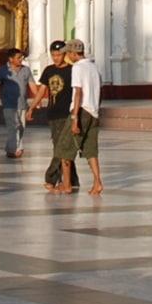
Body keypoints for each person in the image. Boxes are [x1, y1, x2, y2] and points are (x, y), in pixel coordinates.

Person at [37, 47, 77, 193]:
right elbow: (42, 90)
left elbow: (78, 91)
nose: (56, 58)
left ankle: (51, 177)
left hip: (67, 114)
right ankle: (72, 179)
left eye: (59, 55)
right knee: (60, 146)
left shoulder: (73, 70)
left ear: (64, 54)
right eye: (53, 55)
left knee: (62, 147)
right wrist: (32, 106)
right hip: (53, 114)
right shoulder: (48, 70)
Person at [68, 41, 105, 196]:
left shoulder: (77, 67)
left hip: (82, 110)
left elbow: (78, 92)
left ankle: (66, 184)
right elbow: (100, 91)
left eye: (68, 53)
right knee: (91, 150)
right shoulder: (93, 67)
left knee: (66, 148)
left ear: (73, 53)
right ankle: (97, 182)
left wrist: (74, 117)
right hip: (94, 112)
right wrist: (96, 108)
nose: (67, 56)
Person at [0, 48, 28, 159]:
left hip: (22, 104)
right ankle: (16, 149)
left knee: (21, 127)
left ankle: (9, 148)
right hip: (9, 104)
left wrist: (37, 101)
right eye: (18, 57)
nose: (21, 59)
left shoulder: (26, 70)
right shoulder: (3, 70)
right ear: (11, 59)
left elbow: (32, 85)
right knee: (13, 127)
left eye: (22, 57)